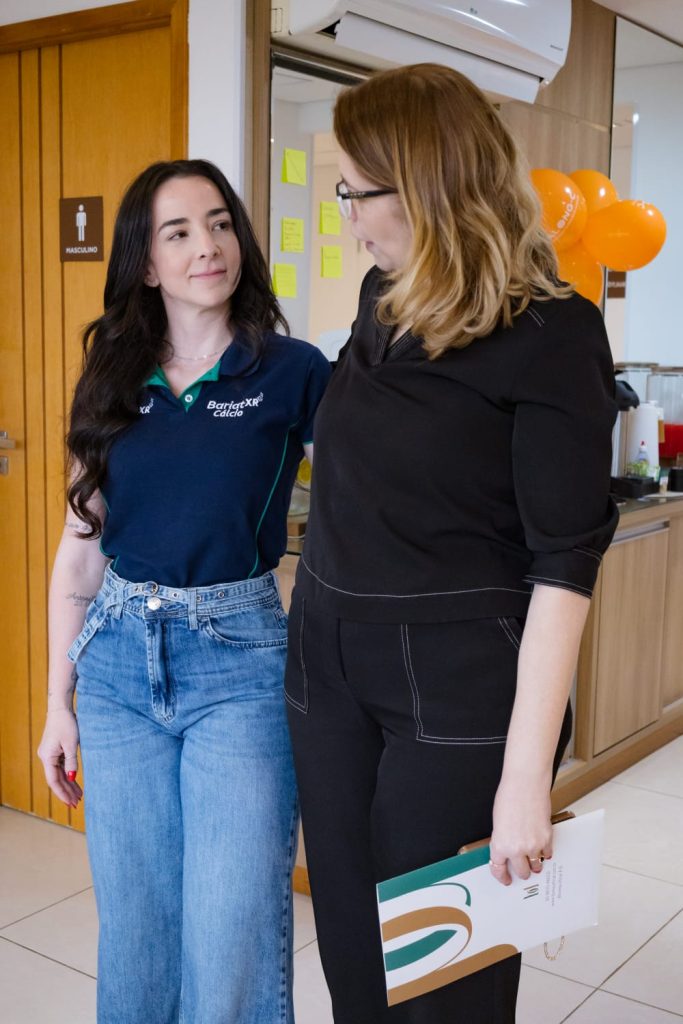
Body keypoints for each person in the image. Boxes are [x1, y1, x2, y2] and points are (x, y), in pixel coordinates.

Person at [284, 64, 618, 1023]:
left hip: (456, 680)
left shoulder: (552, 331)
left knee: (442, 981)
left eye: (356, 193)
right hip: (326, 658)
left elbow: (564, 567)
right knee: (353, 952)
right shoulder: (380, 298)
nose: (348, 217)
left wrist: (523, 782)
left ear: (426, 186)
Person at [37, 158, 330, 1024]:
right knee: (136, 929)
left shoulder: (292, 371)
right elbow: (80, 553)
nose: (208, 246)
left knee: (231, 924)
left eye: (219, 223)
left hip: (238, 665)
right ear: (145, 263)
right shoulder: (112, 375)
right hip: (117, 665)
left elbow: (366, 502)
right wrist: (58, 702)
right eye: (179, 232)